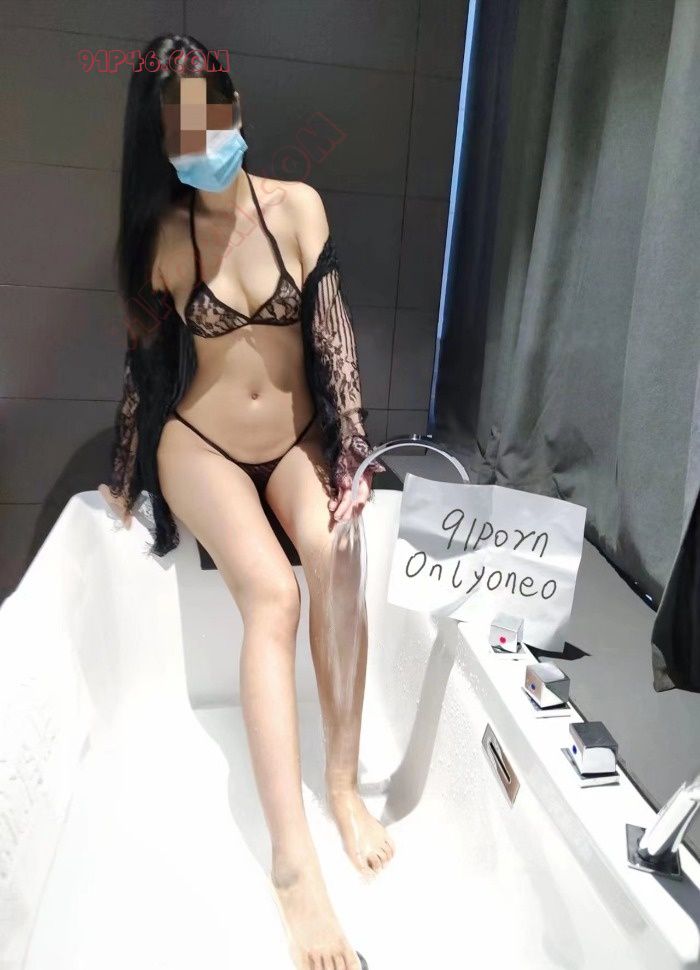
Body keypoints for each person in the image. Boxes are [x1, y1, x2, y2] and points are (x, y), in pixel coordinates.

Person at [98, 33, 391, 970]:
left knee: (338, 557)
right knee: (274, 594)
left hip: (295, 442)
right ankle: (293, 867)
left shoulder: (297, 207)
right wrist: (123, 472)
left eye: (210, 110)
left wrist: (352, 452)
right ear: (160, 141)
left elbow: (334, 336)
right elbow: (146, 371)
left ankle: (341, 784)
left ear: (234, 106)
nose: (202, 134)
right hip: (205, 446)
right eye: (178, 124)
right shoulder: (165, 239)